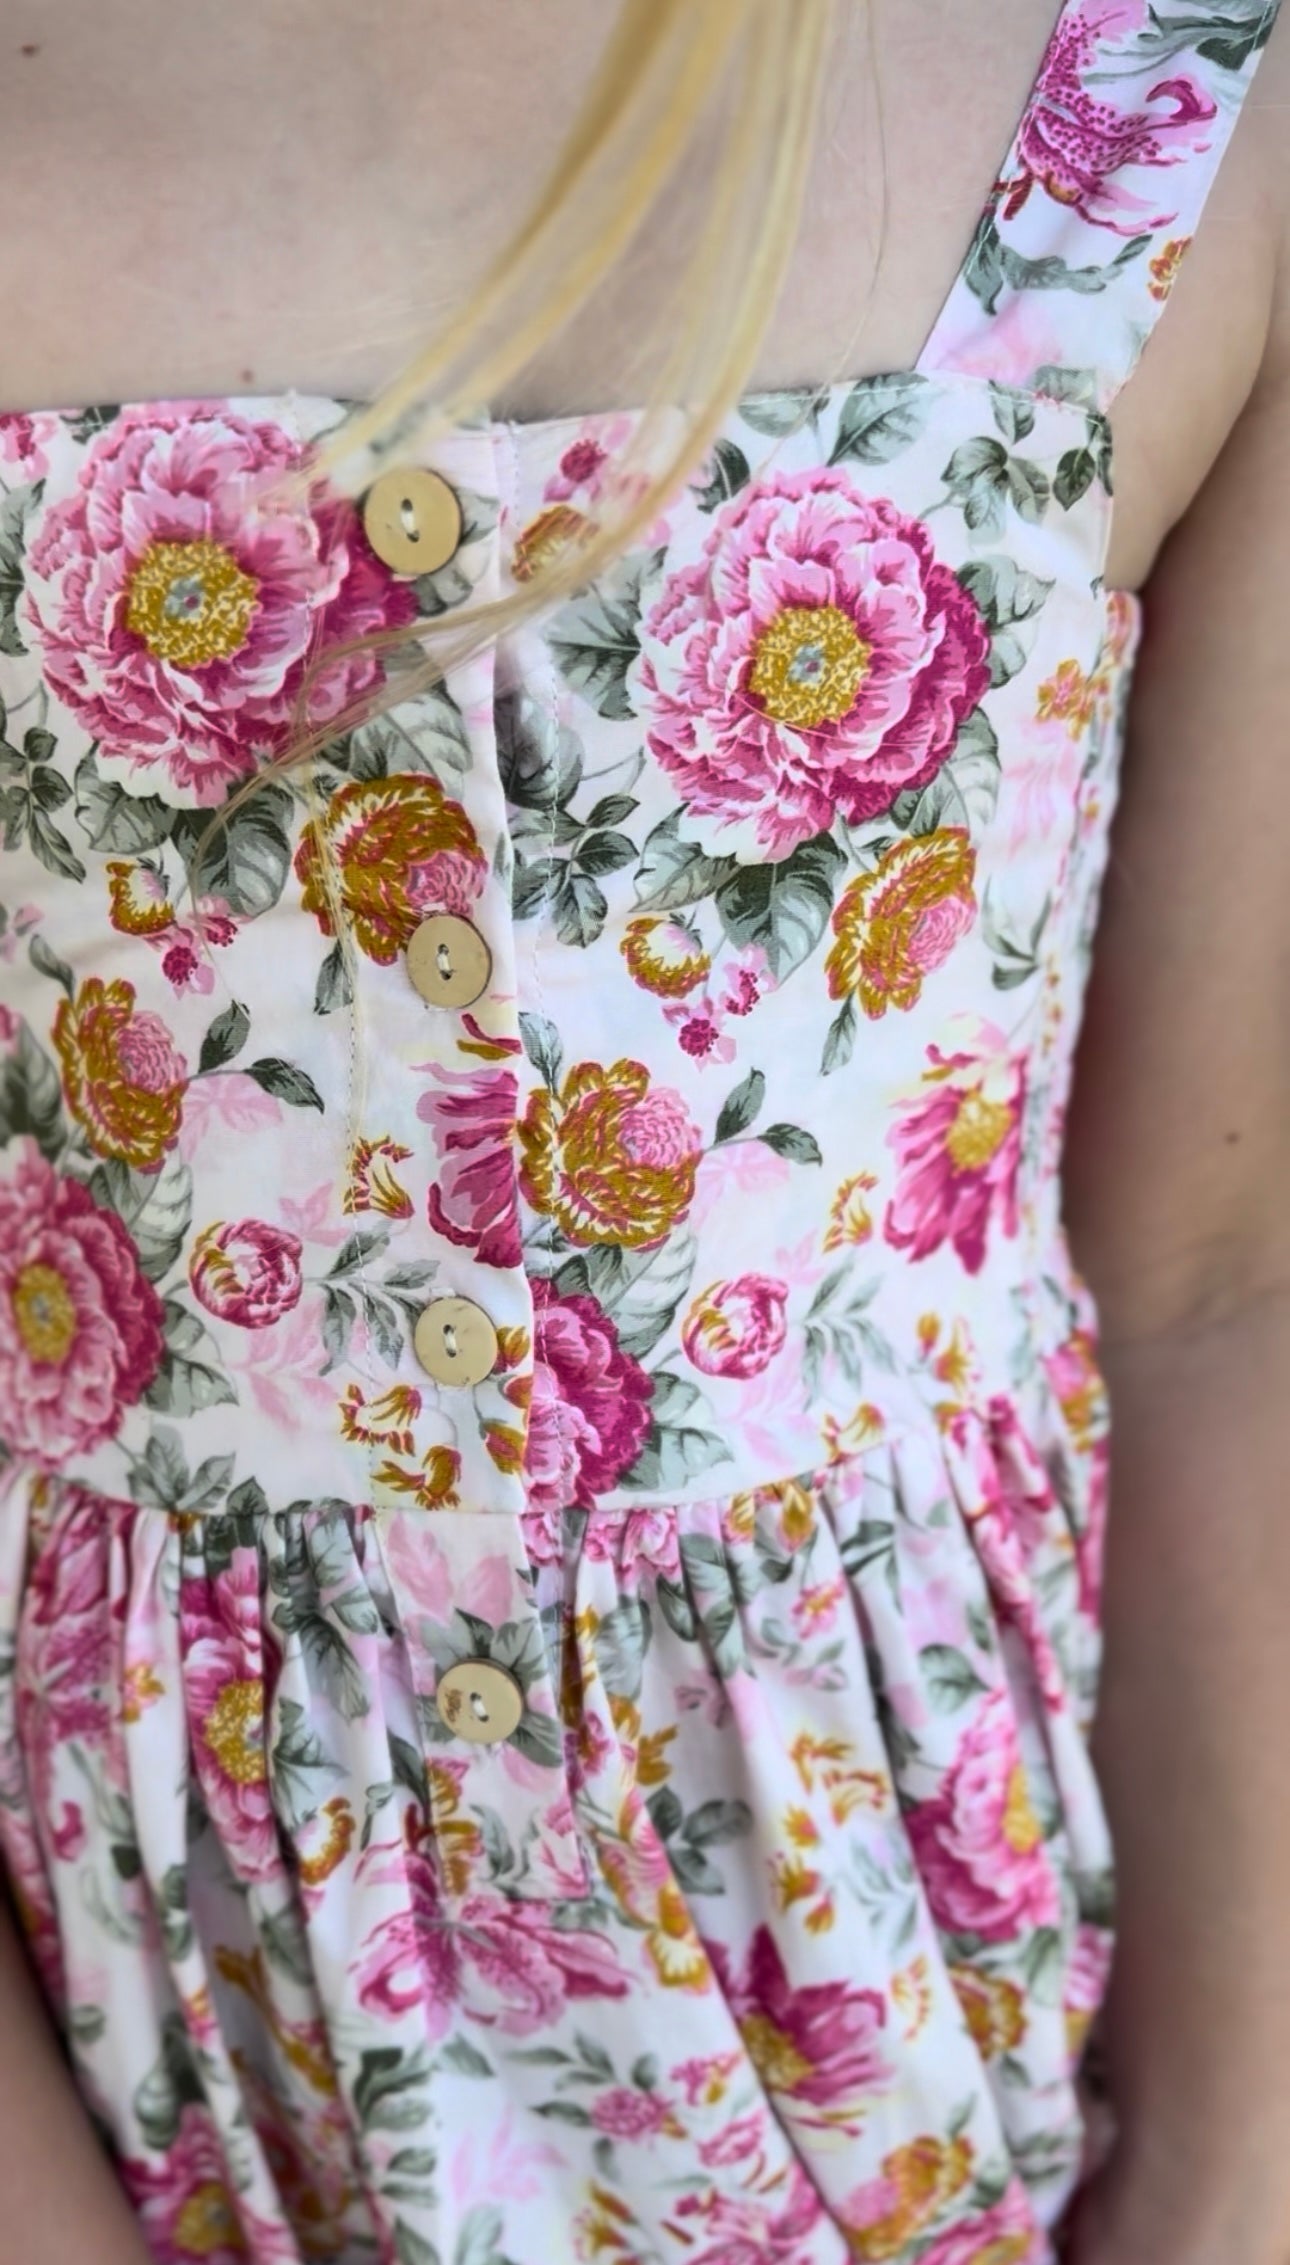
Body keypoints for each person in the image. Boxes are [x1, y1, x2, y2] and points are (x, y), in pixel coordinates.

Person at [0, 2, 1287, 2259]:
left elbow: (1208, 1281)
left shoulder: (1163, 119)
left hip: (942, 2092)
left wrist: (1230, 2176)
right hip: (160, 2083)